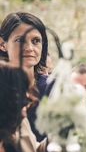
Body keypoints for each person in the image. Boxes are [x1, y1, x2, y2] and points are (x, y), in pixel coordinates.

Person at [0, 12, 50, 140]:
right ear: (2, 44)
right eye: (20, 40)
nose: (29, 48)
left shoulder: (52, 88)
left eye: (36, 41)